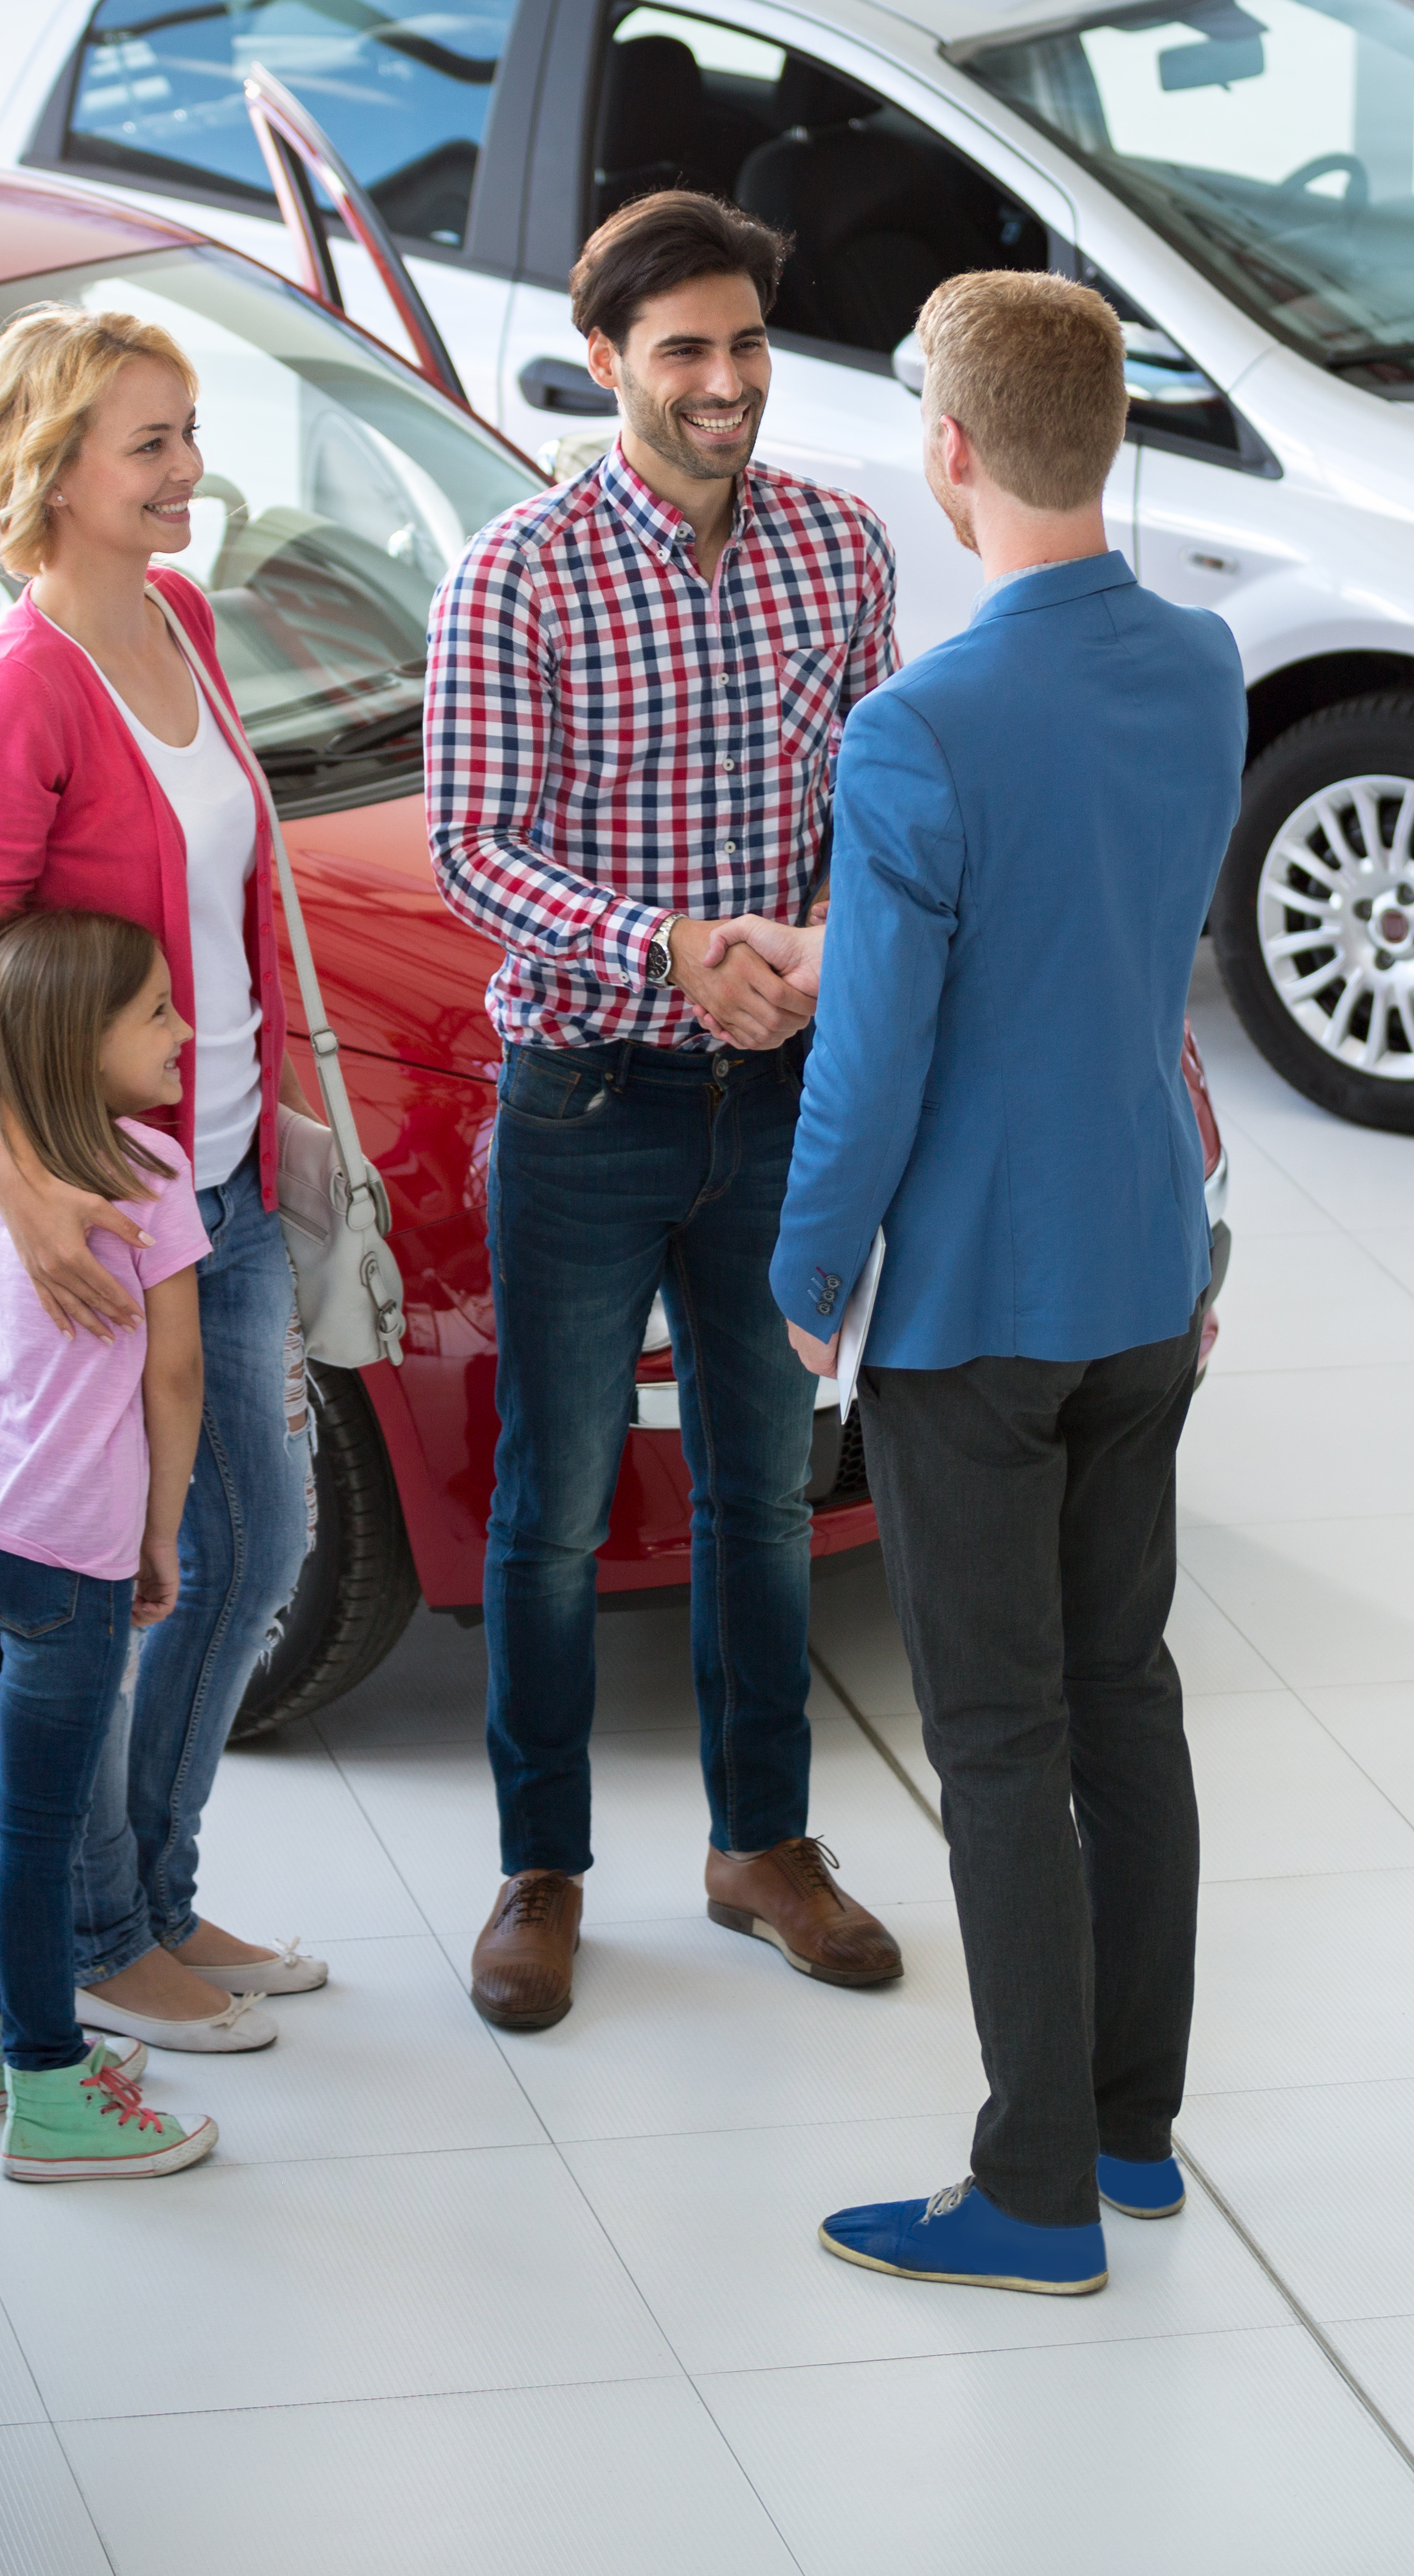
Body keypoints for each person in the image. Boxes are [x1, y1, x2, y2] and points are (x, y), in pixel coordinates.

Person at [749, 271, 1245, 2292]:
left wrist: (804, 1276)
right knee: (1127, 1693)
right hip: (1144, 1257)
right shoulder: (1202, 661)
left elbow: (871, 1059)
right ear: (1101, 436)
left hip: (977, 1300)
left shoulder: (918, 727)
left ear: (947, 451)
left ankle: (1028, 2187)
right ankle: (1130, 2131)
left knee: (1003, 1736)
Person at [417, 191, 906, 2033]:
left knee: (762, 1491)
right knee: (546, 1506)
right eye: (684, 350)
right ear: (606, 357)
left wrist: (823, 943)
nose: (724, 383)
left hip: (781, 1093)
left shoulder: (839, 551)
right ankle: (541, 1867)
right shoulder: (518, 574)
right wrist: (667, 942)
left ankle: (760, 1846)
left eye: (747, 345)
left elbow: (879, 806)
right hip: (587, 1091)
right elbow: (469, 846)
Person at [0, 304, 321, 2056]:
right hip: (104, 1204)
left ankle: (149, 1889)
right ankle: (92, 1931)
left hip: (220, 1175)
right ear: (59, 472)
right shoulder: (18, 690)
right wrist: (16, 1179)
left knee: (253, 1540)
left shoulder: (180, 616)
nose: (189, 469)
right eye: (150, 443)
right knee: (105, 1575)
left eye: (189, 430)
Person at [0, 908, 220, 2182]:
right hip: (69, 1550)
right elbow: (179, 1375)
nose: (184, 1028)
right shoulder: (149, 1177)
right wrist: (161, 1534)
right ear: (77, 1038)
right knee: (40, 1829)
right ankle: (52, 2089)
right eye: (154, 1010)